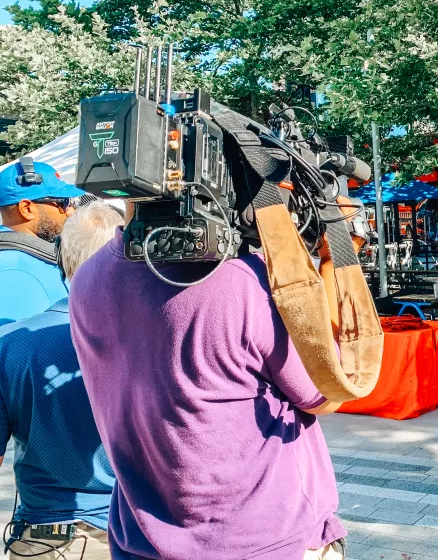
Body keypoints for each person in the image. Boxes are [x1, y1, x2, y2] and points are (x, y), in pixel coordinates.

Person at [70, 207, 346, 560]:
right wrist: (327, 260)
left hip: (141, 541)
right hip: (262, 543)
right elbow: (326, 394)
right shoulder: (244, 280)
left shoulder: (89, 277)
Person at [0, 202, 121, 560]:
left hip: (41, 541)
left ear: (59, 257)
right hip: (129, 538)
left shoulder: (11, 344)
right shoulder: (153, 341)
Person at [0, 159, 83, 324]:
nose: (71, 211)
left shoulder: (34, 258)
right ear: (27, 209)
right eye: (64, 203)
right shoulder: (14, 271)